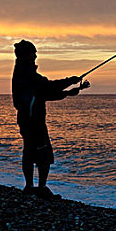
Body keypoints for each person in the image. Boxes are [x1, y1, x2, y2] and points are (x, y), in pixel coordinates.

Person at [12, 40, 90, 198]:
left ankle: (31, 187)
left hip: (28, 118)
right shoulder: (26, 73)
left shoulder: (23, 72)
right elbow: (46, 87)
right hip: (33, 120)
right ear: (27, 54)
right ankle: (39, 188)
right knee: (43, 154)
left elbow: (43, 93)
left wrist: (69, 92)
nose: (35, 56)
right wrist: (70, 81)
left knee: (30, 152)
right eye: (33, 53)